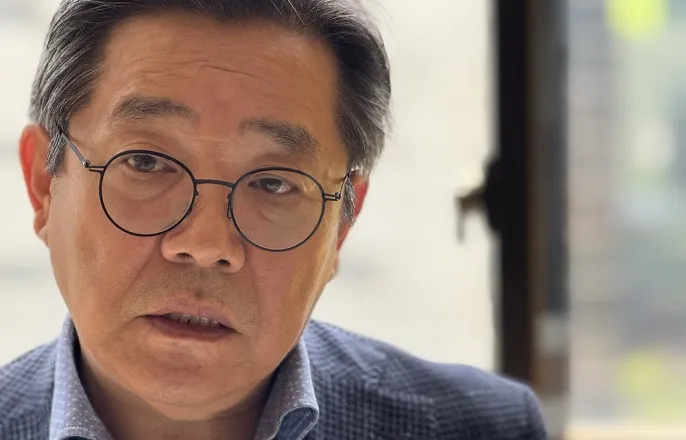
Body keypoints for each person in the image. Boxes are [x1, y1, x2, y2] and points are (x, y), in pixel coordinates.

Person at [0, 1, 548, 439]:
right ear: (44, 184)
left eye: (274, 184)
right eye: (146, 163)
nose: (206, 244)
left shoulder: (480, 427)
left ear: (342, 225)